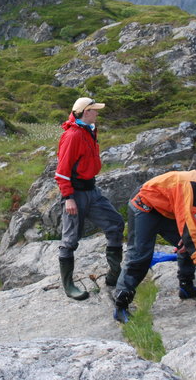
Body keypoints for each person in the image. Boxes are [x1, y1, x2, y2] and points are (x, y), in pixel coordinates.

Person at [112, 170, 196, 323]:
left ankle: (186, 287)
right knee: (140, 257)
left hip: (164, 211)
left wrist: (192, 245)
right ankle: (121, 305)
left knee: (187, 245)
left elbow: (191, 230)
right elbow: (190, 230)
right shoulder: (194, 189)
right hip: (144, 206)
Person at [55, 97, 125, 300]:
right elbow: (62, 171)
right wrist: (68, 197)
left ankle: (113, 275)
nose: (97, 113)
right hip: (75, 194)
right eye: (94, 110)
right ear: (86, 112)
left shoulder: (88, 129)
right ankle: (68, 286)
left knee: (115, 223)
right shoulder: (73, 135)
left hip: (92, 191)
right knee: (69, 241)